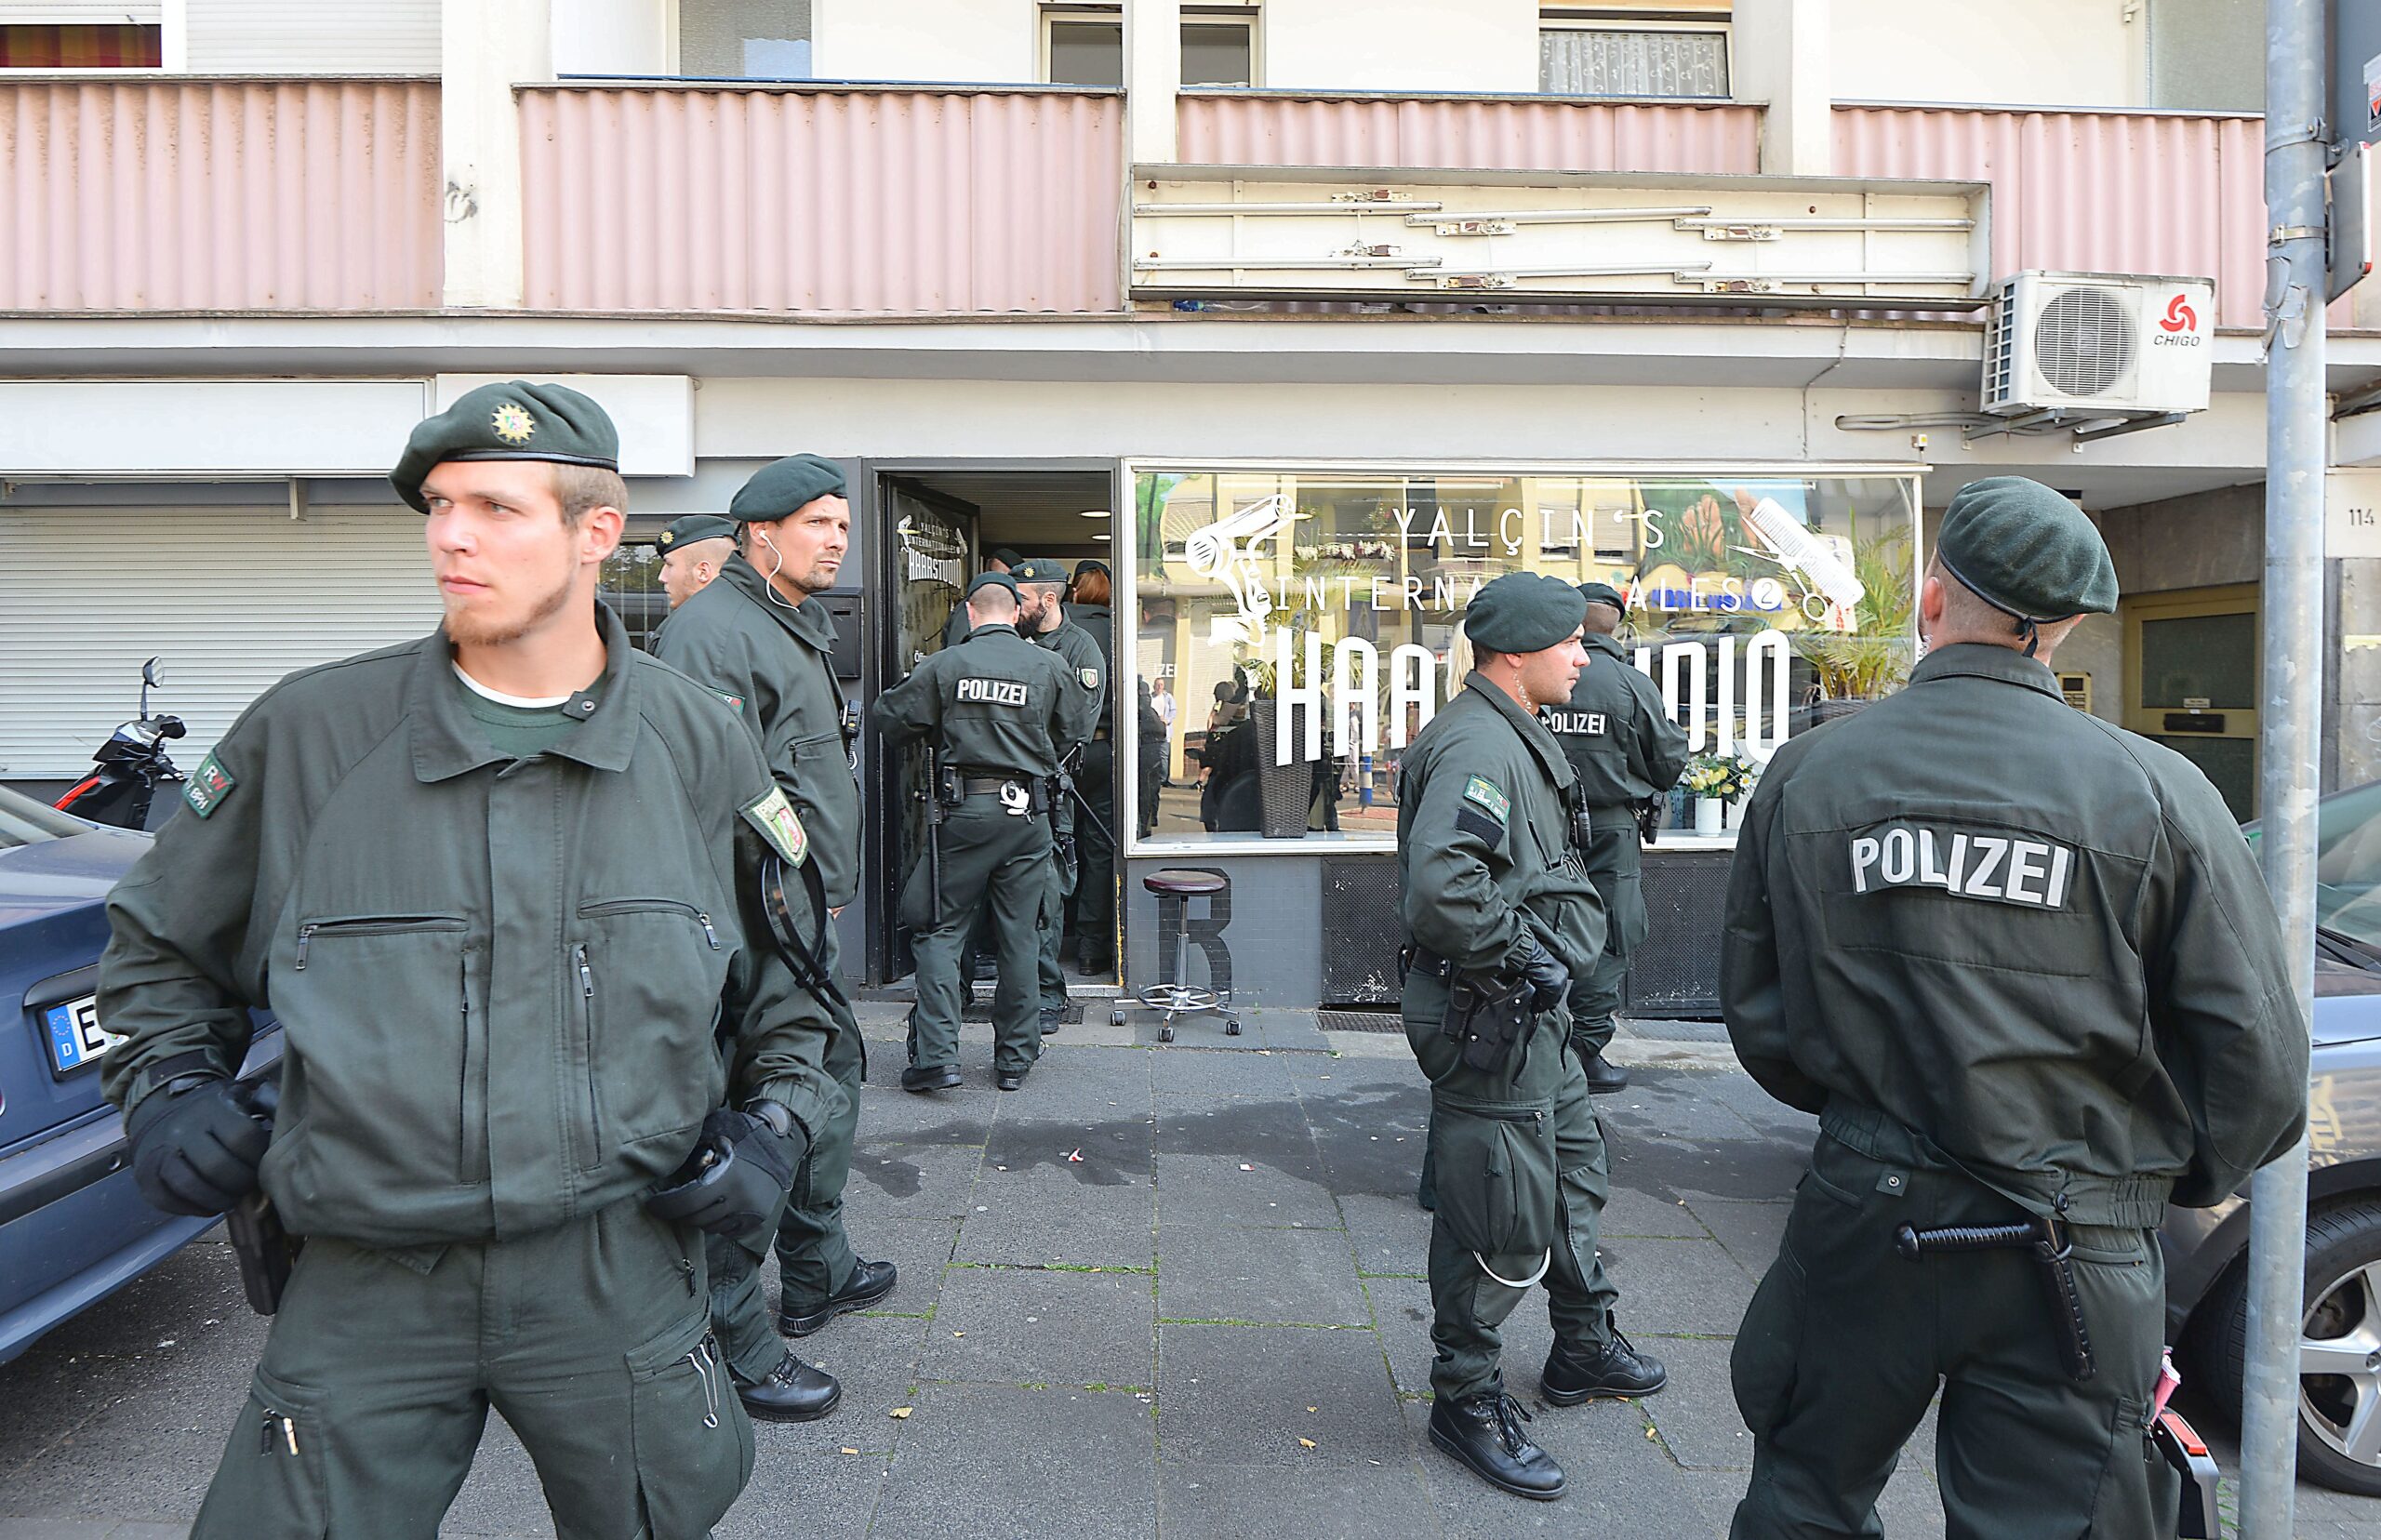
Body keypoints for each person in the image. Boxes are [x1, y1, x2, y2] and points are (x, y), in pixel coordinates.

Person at [98, 381, 839, 1536]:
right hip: (367, 1270)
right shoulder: (311, 735)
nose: (451, 535)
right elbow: (156, 946)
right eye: (439, 506)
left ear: (597, 532)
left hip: (616, 1264)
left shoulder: (697, 743)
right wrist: (168, 1088)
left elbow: (790, 991)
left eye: (496, 507)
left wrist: (776, 1128)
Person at [1720, 477, 2309, 1538]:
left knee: (1804, 1497)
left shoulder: (1811, 774)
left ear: (1930, 601)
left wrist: (1872, 1117)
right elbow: (2256, 1068)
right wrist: (2144, 1186)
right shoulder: (2162, 793)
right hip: (2075, 1244)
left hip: (1869, 1215)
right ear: (2066, 628)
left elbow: (1761, 1012)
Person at [1398, 572, 1667, 1504]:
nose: (1584, 656)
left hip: (1530, 1013)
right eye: (1568, 643)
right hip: (1490, 1011)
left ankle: (1582, 1345)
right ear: (1516, 653)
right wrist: (1520, 948)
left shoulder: (1514, 732)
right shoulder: (1478, 741)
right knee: (1498, 1210)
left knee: (1572, 1172)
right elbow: (1442, 884)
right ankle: (1464, 1398)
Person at [654, 452, 895, 1421]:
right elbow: (703, 802)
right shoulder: (711, 634)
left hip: (796, 914)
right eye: (819, 523)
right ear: (762, 534)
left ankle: (819, 1263)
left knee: (827, 1080)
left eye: (842, 523)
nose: (838, 538)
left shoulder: (787, 623)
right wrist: (756, 931)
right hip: (751, 929)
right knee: (766, 1117)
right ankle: (733, 1337)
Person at [874, 573, 1093, 1091]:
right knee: (1020, 936)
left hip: (963, 814)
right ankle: (1015, 1060)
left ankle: (936, 1058)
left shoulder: (945, 665)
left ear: (971, 613)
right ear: (1017, 612)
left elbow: (889, 719)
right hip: (1028, 819)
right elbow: (1076, 730)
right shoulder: (1048, 663)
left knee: (941, 930)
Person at [1538, 580, 1688, 1094]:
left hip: (1545, 824)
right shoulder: (1630, 684)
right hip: (1610, 828)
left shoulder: (1542, 673)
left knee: (1543, 923)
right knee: (1611, 934)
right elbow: (1669, 762)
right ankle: (1585, 1049)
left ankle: (1542, 1044)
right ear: (1617, 626)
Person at [1010, 558, 1108, 1028]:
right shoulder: (1004, 638)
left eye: (1023, 598)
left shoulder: (1080, 648)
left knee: (1048, 893)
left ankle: (1048, 994)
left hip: (1050, 788)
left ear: (1049, 600)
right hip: (998, 792)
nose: (1014, 605)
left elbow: (1075, 728)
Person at [1063, 561, 1118, 973]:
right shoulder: (1119, 629)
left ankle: (1047, 942)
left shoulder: (1054, 629)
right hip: (1104, 750)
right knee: (1099, 850)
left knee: (1050, 843)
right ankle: (1091, 948)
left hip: (1059, 754)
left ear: (1074, 592)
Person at [942, 546, 1021, 650]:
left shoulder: (1011, 604)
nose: (998, 581)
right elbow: (957, 651)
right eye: (994, 574)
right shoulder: (968, 608)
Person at [656, 512, 738, 611]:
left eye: (670, 565)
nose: (662, 578)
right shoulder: (747, 614)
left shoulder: (700, 624)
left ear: (703, 572)